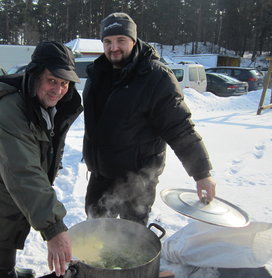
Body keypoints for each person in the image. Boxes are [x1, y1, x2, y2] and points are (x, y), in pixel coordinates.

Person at [0, 41, 82, 278]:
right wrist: (54, 228)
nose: (59, 89)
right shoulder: (9, 112)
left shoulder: (42, 104)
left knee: (4, 239)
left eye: (65, 83)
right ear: (35, 75)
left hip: (8, 185)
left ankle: (1, 270)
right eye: (52, 80)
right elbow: (23, 172)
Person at [82, 12, 216, 225]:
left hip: (137, 179)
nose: (113, 47)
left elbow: (179, 127)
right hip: (101, 174)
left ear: (133, 41)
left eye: (120, 40)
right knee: (95, 229)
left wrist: (202, 173)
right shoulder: (99, 73)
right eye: (107, 41)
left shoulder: (156, 77)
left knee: (131, 238)